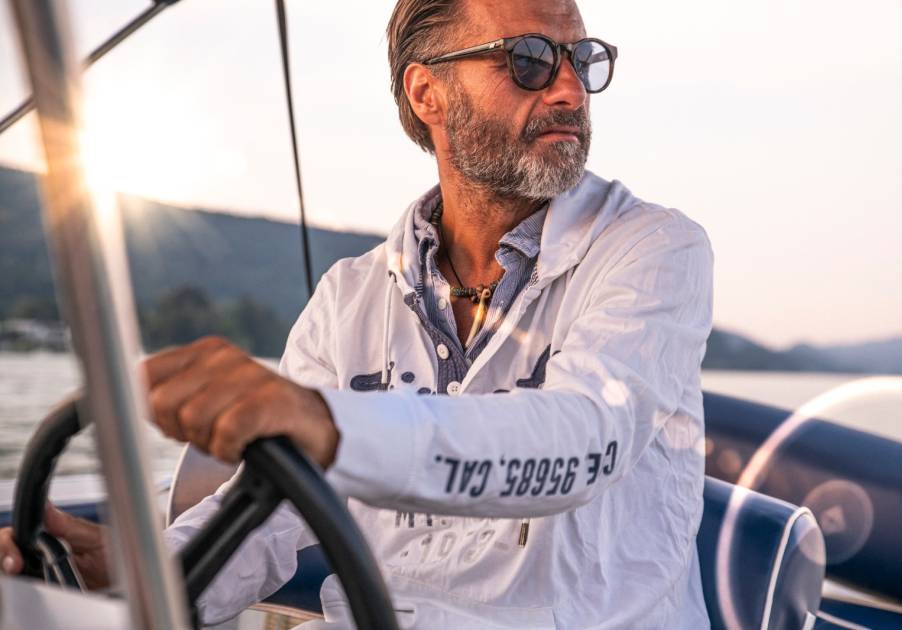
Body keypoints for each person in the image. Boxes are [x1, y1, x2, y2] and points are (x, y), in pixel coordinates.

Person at [1, 0, 714, 627]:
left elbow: (587, 440)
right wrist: (143, 572)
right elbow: (270, 509)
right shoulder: (349, 295)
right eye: (530, 60)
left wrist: (327, 424)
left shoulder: (654, 249)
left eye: (581, 59)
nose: (569, 89)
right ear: (428, 92)